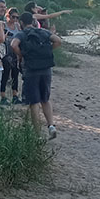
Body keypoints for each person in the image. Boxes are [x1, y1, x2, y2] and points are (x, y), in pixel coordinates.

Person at [11, 11, 62, 139]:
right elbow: (57, 41)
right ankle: (51, 126)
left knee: (34, 102)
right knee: (45, 99)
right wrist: (49, 50)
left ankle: (37, 133)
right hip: (46, 69)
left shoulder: (22, 34)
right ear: (33, 21)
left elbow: (13, 45)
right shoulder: (43, 32)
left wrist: (22, 55)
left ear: (21, 22)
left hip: (31, 70)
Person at [0, 7, 23, 104]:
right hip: (5, 52)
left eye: (17, 17)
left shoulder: (17, 26)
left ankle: (15, 95)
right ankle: (3, 96)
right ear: (8, 16)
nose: (15, 19)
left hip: (15, 53)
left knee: (15, 74)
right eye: (13, 17)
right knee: (5, 74)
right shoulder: (3, 25)